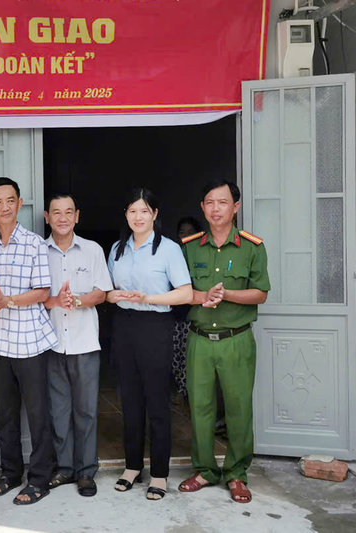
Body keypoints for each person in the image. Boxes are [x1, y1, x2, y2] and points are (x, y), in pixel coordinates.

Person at [177, 180, 270, 504]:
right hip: (200, 340)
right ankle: (205, 470)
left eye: (222, 202)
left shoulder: (252, 247)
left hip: (236, 340)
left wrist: (227, 294)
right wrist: (201, 295)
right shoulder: (189, 247)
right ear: (202, 207)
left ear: (236, 207)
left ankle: (236, 473)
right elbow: (178, 290)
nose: (215, 209)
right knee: (200, 408)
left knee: (238, 409)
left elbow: (260, 293)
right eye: (209, 202)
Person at [106, 187, 192, 501]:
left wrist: (149, 299)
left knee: (156, 402)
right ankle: (132, 467)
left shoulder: (169, 249)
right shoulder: (117, 248)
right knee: (129, 401)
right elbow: (107, 291)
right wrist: (112, 295)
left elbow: (185, 293)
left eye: (144, 211)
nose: (138, 217)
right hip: (124, 326)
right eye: (132, 211)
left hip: (156, 326)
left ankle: (159, 473)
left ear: (155, 214)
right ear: (126, 214)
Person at [0, 177, 58, 505]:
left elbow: (42, 292)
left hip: (30, 342)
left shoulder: (35, 243)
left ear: (19, 203)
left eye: (10, 200)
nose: (5, 207)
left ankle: (39, 478)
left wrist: (7, 301)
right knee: (6, 414)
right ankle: (10, 473)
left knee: (38, 413)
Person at [43, 194, 111, 497]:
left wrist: (78, 301)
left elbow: (102, 292)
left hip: (84, 342)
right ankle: (64, 468)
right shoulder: (39, 251)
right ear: (47, 217)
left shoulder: (93, 250)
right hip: (52, 343)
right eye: (56, 212)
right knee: (58, 411)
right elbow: (36, 296)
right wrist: (55, 300)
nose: (63, 218)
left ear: (77, 216)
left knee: (86, 412)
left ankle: (86, 472)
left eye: (68, 212)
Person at [172, 217, 202, 399]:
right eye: (182, 232)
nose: (185, 236)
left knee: (189, 357)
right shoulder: (172, 253)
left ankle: (186, 393)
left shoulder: (201, 254)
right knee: (175, 357)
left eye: (190, 232)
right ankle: (180, 390)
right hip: (174, 315)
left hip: (192, 317)